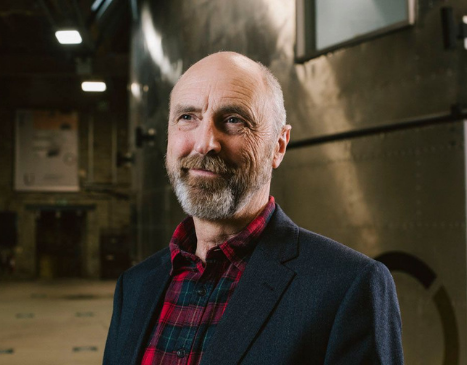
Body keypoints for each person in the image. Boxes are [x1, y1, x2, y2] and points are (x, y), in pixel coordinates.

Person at [103, 52, 403, 365]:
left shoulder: (347, 286)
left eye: (233, 120)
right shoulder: (135, 286)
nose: (206, 142)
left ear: (279, 145)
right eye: (187, 117)